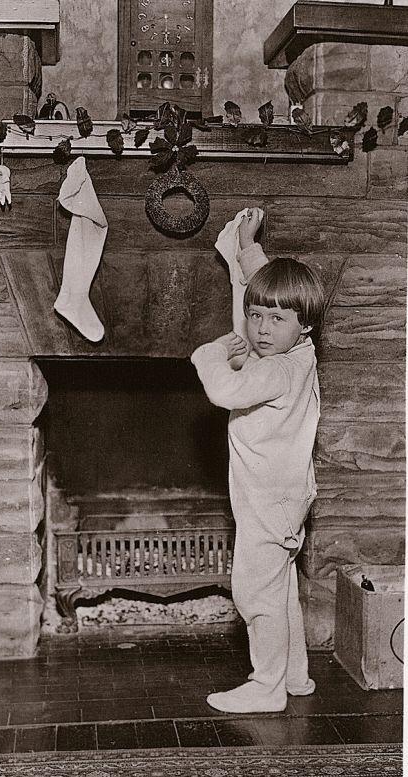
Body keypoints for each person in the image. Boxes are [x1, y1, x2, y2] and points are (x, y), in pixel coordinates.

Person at [191, 207, 325, 713]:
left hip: (267, 501)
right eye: (255, 316)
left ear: (304, 325)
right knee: (281, 586)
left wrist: (208, 355)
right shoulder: (301, 354)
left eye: (276, 320)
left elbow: (225, 389)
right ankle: (294, 676)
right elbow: (271, 289)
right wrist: (248, 247)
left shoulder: (272, 374)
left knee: (254, 593)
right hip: (290, 495)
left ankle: (266, 687)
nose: (261, 329)